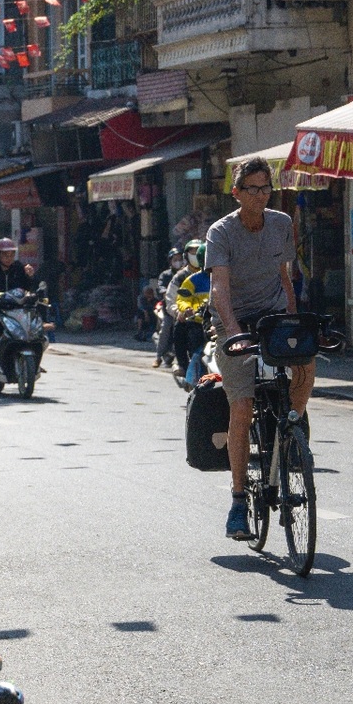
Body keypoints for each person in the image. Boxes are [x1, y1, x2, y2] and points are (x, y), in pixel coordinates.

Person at [206, 160, 309, 540]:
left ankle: (293, 428)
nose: (261, 195)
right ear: (237, 193)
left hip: (273, 318)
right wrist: (233, 332)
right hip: (234, 321)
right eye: (252, 188)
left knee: (306, 361)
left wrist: (293, 320)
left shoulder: (281, 223)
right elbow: (220, 290)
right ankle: (237, 501)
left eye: (265, 187)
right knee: (243, 406)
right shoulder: (221, 232)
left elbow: (285, 278)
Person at [0, 237, 37, 378]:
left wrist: (30, 277)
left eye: (11, 254)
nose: (8, 258)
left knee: (33, 325)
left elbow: (27, 287)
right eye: (5, 255)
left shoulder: (19, 268)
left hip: (16, 308)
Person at [171, 240, 211, 375]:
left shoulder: (227, 277)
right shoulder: (192, 279)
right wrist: (186, 309)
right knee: (181, 329)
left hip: (222, 321)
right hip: (199, 322)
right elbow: (182, 298)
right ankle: (184, 366)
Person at [152, 247, 186, 367]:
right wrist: (166, 292)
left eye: (180, 259)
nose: (178, 261)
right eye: (175, 259)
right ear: (170, 261)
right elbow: (160, 287)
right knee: (166, 328)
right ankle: (158, 357)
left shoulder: (186, 273)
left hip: (186, 307)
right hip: (169, 308)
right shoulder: (165, 275)